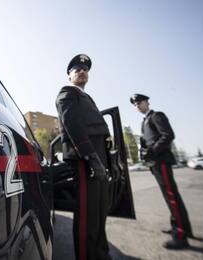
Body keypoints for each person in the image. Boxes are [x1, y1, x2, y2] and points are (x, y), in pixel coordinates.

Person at [56, 54, 111, 260]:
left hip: (99, 159)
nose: (81, 71)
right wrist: (90, 157)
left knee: (99, 213)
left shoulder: (88, 98)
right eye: (76, 69)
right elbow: (73, 126)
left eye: (85, 69)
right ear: (68, 76)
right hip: (84, 159)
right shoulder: (67, 93)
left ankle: (101, 254)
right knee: (88, 217)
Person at [130, 94, 193, 250]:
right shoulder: (144, 121)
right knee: (170, 196)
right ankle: (181, 227)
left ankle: (180, 235)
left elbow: (168, 135)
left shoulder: (156, 116)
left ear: (147, 102)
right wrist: (144, 151)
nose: (137, 106)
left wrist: (152, 151)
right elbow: (147, 142)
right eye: (135, 104)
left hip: (161, 160)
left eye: (140, 102)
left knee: (171, 196)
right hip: (155, 162)